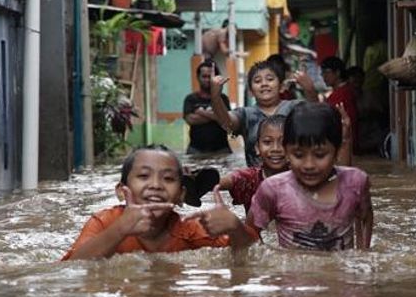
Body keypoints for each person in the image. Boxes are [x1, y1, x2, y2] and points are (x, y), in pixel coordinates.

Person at [62, 145, 252, 260]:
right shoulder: (105, 223)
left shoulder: (191, 230)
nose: (155, 185)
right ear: (121, 190)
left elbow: (252, 256)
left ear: (181, 195)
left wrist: (235, 227)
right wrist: (120, 229)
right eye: (144, 176)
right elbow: (70, 270)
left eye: (168, 179)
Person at [247, 103, 374, 251]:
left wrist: (363, 253)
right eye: (299, 155)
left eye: (319, 155)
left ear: (337, 152)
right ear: (287, 152)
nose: (309, 165)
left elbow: (365, 217)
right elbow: (249, 232)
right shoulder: (273, 189)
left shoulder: (356, 182)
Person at [220, 108, 354, 213]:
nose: (276, 149)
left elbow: (341, 181)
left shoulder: (305, 177)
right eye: (267, 142)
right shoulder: (249, 179)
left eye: (283, 142)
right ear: (257, 148)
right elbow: (217, 182)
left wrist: (345, 140)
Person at [209, 60, 317, 167]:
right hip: (257, 179)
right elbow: (227, 123)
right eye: (257, 81)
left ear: (282, 87)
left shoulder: (295, 108)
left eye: (270, 79)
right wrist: (215, 96)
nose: (264, 84)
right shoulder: (245, 114)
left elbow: (316, 116)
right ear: (251, 91)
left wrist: (310, 88)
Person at [183, 60, 231, 155]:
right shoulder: (191, 99)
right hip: (195, 150)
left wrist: (201, 113)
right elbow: (190, 120)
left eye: (210, 77)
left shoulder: (223, 99)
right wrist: (216, 116)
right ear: (198, 77)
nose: (207, 80)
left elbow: (227, 122)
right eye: (204, 76)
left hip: (222, 149)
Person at [320, 56, 358, 149]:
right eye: (322, 73)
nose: (324, 76)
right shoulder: (343, 91)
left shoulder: (343, 93)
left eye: (326, 72)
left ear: (337, 73)